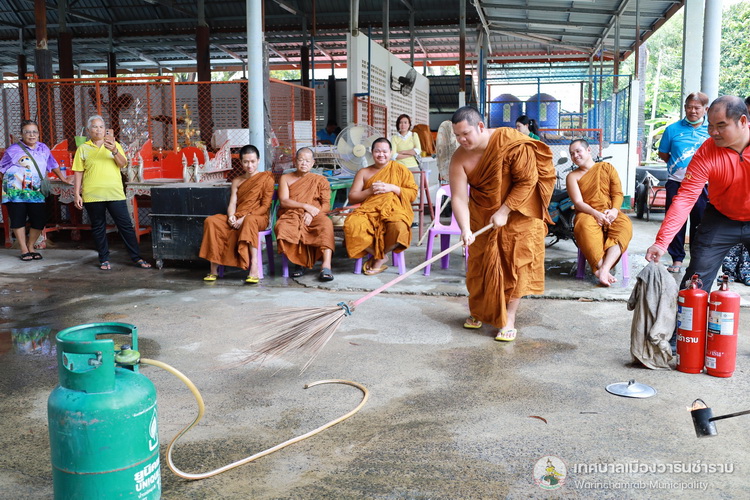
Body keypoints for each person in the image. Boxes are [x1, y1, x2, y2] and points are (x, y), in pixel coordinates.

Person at [450, 106, 555, 342]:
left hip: (519, 214)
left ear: (480, 127)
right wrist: (465, 228)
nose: (461, 140)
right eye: (457, 136)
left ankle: (509, 318)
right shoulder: (460, 157)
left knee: (514, 267)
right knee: (479, 266)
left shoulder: (511, 142)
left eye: (465, 134)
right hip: (482, 216)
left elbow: (528, 181)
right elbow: (458, 197)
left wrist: (504, 210)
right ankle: (480, 310)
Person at [646, 95, 750, 293]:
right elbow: (685, 198)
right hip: (720, 217)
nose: (713, 132)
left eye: (721, 125)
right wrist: (661, 242)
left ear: (743, 121)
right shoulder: (707, 151)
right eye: (710, 125)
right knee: (694, 285)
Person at [73, 115, 151, 270]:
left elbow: (123, 164)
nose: (98, 130)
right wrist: (76, 193)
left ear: (105, 129)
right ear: (88, 130)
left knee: (125, 226)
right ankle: (104, 259)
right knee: (98, 227)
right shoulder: (83, 148)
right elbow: (78, 171)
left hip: (114, 193)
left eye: (101, 127)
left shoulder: (114, 145)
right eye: (94, 127)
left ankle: (137, 257)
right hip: (92, 194)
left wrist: (114, 150)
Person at [199, 144, 275, 283]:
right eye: (246, 162)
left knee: (250, 221)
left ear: (258, 160)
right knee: (211, 221)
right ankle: (213, 269)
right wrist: (231, 216)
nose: (249, 165)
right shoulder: (237, 181)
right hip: (239, 215)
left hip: (258, 217)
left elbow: (265, 206)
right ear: (241, 162)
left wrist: (244, 218)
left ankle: (254, 268)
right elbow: (233, 203)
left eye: (252, 161)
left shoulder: (266, 179)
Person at [343, 137, 417, 275]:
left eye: (384, 151)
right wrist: (369, 191)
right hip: (368, 211)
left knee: (399, 228)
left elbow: (412, 194)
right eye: (377, 151)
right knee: (352, 225)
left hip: (394, 210)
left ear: (390, 152)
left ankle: (378, 258)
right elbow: (352, 197)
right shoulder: (363, 172)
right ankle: (381, 256)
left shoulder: (401, 170)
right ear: (372, 152)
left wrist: (392, 188)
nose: (381, 154)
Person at [0, 120, 72, 260]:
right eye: (27, 132)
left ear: (38, 134)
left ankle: (31, 245)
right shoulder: (13, 150)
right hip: (15, 192)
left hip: (35, 191)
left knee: (39, 220)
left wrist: (63, 178)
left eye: (34, 132)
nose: (31, 135)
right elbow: (2, 168)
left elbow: (53, 164)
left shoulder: (43, 148)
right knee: (18, 220)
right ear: (22, 134)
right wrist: (8, 186)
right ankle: (24, 249)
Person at [566, 139, 633, 287]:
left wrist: (614, 210)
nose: (575, 156)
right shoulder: (573, 176)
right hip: (587, 213)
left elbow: (617, 193)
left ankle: (604, 269)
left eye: (578, 151)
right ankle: (601, 269)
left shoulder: (607, 168)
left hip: (610, 211)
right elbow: (578, 202)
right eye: (572, 154)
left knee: (624, 225)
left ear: (588, 150)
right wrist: (596, 214)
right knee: (583, 225)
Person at [657, 92, 710, 274]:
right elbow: (664, 154)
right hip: (676, 182)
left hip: (703, 184)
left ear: (706, 109)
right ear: (685, 107)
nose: (692, 111)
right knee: (675, 221)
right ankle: (677, 259)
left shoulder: (712, 131)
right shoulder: (672, 129)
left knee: (700, 222)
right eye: (689, 107)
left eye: (697, 108)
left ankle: (696, 260)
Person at [275, 147, 335, 281]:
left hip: (316, 214)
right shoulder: (285, 178)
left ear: (313, 163)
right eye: (301, 160)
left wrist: (312, 213)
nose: (304, 163)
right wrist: (305, 206)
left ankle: (326, 266)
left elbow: (326, 205)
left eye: (307, 161)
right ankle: (298, 263)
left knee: (326, 224)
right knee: (283, 227)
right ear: (295, 161)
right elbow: (284, 201)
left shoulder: (320, 180)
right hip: (292, 213)